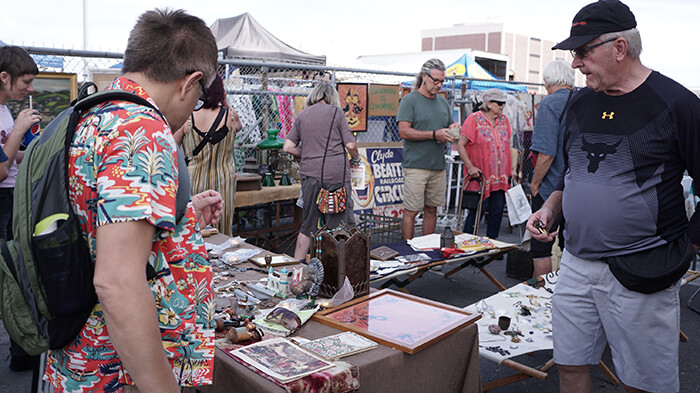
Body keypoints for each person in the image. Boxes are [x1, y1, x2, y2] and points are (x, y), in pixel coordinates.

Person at [43, 9, 223, 393]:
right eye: (201, 94)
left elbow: (95, 224)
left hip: (84, 354)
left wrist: (181, 219)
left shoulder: (95, 114)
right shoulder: (140, 130)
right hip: (116, 371)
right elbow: (117, 281)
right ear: (189, 83)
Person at [527, 1, 700, 392]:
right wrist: (552, 206)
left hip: (644, 268)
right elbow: (574, 172)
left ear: (618, 48)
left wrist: (686, 246)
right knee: (569, 365)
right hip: (574, 262)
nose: (575, 63)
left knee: (642, 383)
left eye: (582, 52)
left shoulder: (677, 103)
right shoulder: (579, 102)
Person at [0, 45, 43, 373]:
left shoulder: (5, 109)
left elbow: (12, 158)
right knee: (12, 276)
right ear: (4, 77)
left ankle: (22, 352)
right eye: (25, 81)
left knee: (18, 273)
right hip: (3, 202)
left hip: (13, 198)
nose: (30, 88)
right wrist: (18, 130)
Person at [283, 82, 359, 261]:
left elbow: (287, 147)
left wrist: (306, 155)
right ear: (332, 97)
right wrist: (355, 159)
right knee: (338, 226)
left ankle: (298, 272)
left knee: (308, 225)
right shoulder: (337, 112)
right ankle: (337, 273)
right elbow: (350, 144)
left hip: (309, 176)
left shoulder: (302, 115)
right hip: (335, 178)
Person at [397, 58, 458, 239]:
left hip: (437, 165)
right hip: (416, 165)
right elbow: (404, 132)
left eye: (442, 81)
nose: (439, 85)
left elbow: (446, 128)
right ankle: (409, 254)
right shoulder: (409, 100)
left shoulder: (442, 102)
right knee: (411, 211)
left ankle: (428, 252)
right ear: (424, 76)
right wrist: (434, 134)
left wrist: (454, 129)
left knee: (432, 210)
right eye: (436, 80)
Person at [175, 73, 243, 236]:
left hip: (194, 179)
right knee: (222, 224)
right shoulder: (230, 116)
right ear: (221, 91)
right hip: (224, 179)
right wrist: (225, 101)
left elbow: (173, 147)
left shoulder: (188, 118)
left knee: (194, 224)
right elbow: (239, 127)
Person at [529, 60, 575, 277]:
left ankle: (541, 297)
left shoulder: (549, 104)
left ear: (547, 81)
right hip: (576, 186)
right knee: (570, 245)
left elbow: (546, 153)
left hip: (551, 188)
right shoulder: (583, 100)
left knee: (541, 244)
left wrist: (535, 185)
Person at [456, 88, 512, 239]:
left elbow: (507, 145)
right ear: (488, 104)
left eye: (503, 103)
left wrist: (511, 169)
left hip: (500, 177)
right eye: (499, 103)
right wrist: (470, 166)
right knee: (477, 211)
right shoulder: (474, 119)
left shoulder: (504, 120)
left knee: (497, 211)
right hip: (480, 176)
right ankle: (468, 244)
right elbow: (460, 144)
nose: (502, 106)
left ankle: (492, 244)